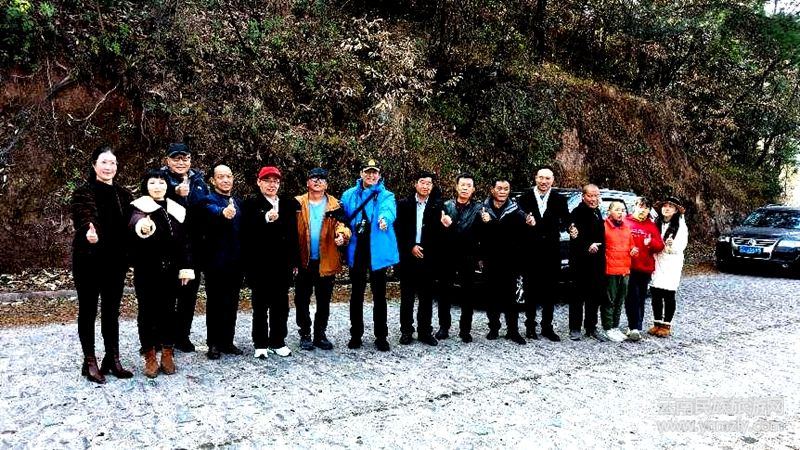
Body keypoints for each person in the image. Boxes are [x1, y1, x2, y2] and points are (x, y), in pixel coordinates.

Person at [71, 145, 134, 384]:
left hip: (116, 261)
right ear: (94, 165)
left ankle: (112, 358)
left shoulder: (124, 194)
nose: (109, 167)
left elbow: (132, 223)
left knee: (111, 311)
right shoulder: (83, 191)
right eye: (104, 162)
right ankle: (89, 361)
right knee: (88, 309)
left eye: (113, 163)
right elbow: (84, 215)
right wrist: (89, 230)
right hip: (88, 259)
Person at [129, 169, 195, 378]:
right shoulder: (139, 207)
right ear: (145, 186)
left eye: (161, 182)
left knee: (169, 311)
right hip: (147, 269)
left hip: (171, 269)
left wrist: (186, 267)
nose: (157, 187)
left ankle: (167, 352)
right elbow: (136, 222)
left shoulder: (176, 208)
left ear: (167, 186)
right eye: (152, 183)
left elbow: (185, 241)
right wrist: (143, 227)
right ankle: (149, 355)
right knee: (146, 312)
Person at [340, 159, 399, 352]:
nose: (371, 176)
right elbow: (342, 218)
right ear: (361, 174)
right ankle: (355, 334)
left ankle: (381, 336)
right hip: (356, 249)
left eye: (374, 172)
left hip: (377, 251)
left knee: (379, 295)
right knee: (356, 294)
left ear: (379, 175)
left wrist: (384, 220)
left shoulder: (386, 195)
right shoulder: (348, 195)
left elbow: (388, 210)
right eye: (368, 172)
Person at [241, 166, 299, 358]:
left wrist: (294, 261)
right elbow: (246, 231)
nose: (272, 185)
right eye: (267, 180)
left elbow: (293, 235)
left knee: (281, 306)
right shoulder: (250, 204)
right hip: (259, 265)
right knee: (260, 306)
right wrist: (266, 217)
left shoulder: (288, 204)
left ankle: (278, 341)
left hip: (282, 265)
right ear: (259, 182)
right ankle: (260, 343)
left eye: (275, 181)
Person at [293, 167, 351, 351]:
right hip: (303, 260)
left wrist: (342, 236)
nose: (317, 181)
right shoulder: (297, 203)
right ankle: (305, 334)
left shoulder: (336, 205)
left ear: (327, 184)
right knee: (301, 299)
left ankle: (320, 334)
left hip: (326, 260)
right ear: (307, 182)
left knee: (323, 300)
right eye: (314, 178)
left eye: (322, 179)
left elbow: (343, 225)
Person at [161, 143, 209, 353]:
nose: (181, 162)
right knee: (167, 294)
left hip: (194, 247)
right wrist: (174, 191)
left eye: (185, 158)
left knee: (188, 294)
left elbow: (205, 208)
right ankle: (164, 338)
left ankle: (182, 336)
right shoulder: (159, 178)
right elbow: (150, 198)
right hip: (169, 246)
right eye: (176, 158)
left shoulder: (199, 181)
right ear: (168, 160)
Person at [517, 166, 571, 341]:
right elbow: (516, 219)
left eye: (547, 178)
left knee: (550, 290)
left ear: (552, 180)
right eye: (541, 177)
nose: (544, 181)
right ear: (535, 178)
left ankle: (547, 326)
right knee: (530, 290)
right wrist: (525, 221)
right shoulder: (524, 197)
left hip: (551, 251)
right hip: (530, 251)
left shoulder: (559, 199)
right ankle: (530, 326)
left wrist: (571, 227)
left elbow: (567, 220)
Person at [198, 164, 244, 360]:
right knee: (215, 303)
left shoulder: (239, 202)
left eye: (229, 176)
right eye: (221, 177)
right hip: (215, 262)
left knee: (231, 303)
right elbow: (211, 211)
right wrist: (222, 213)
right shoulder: (207, 200)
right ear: (213, 180)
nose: (225, 180)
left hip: (236, 261)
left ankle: (227, 341)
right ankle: (214, 343)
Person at [395, 171, 442, 346]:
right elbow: (398, 230)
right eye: (422, 182)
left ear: (432, 186)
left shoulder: (438, 205)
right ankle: (406, 331)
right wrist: (410, 246)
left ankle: (424, 331)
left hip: (428, 257)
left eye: (429, 183)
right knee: (407, 296)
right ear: (416, 184)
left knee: (426, 297)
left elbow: (439, 234)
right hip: (408, 256)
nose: (425, 186)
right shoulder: (403, 204)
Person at [479, 178, 527, 345]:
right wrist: (480, 256)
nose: (503, 191)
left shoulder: (516, 209)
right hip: (490, 259)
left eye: (506, 188)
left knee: (511, 297)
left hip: (510, 259)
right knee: (491, 295)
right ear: (492, 190)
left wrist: (491, 224)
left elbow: (517, 235)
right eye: (499, 188)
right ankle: (494, 327)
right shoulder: (482, 209)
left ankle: (513, 330)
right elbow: (479, 236)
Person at [436, 173, 482, 343]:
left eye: (469, 185)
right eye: (462, 185)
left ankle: (465, 330)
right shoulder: (446, 206)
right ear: (456, 187)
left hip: (468, 256)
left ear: (473, 189)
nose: (465, 188)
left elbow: (483, 234)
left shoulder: (479, 208)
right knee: (444, 293)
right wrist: (442, 225)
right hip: (447, 255)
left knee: (468, 294)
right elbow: (436, 232)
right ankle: (444, 327)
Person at [567, 184, 606, 341]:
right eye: (590, 196)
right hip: (580, 262)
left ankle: (591, 327)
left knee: (594, 296)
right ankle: (575, 328)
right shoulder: (577, 213)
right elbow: (574, 235)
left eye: (596, 196)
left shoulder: (598, 212)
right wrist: (587, 245)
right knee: (577, 296)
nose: (593, 199)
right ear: (583, 196)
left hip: (597, 262)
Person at [623, 197, 664, 341]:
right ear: (634, 207)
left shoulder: (651, 225)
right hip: (629, 266)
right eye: (641, 207)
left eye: (646, 208)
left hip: (645, 267)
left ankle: (636, 326)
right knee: (631, 296)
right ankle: (633, 326)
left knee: (640, 297)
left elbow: (660, 245)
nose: (643, 210)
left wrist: (651, 242)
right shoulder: (626, 222)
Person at [649, 196, 688, 337]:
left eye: (670, 207)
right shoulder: (655, 222)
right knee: (656, 293)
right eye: (665, 206)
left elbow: (682, 245)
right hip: (657, 260)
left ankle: (666, 324)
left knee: (669, 294)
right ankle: (657, 322)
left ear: (676, 210)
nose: (667, 208)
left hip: (672, 262)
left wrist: (671, 245)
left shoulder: (681, 226)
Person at [601, 200, 637, 343]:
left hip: (625, 270)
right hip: (610, 270)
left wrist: (634, 250)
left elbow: (632, 246)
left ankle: (615, 326)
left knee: (619, 300)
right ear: (609, 212)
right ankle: (608, 328)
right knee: (609, 301)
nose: (620, 212)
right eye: (617, 209)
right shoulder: (604, 227)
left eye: (622, 210)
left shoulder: (626, 228)